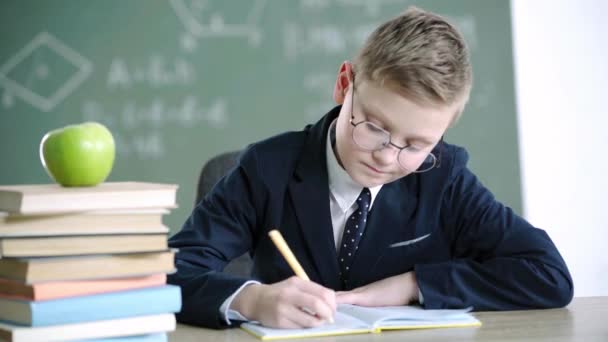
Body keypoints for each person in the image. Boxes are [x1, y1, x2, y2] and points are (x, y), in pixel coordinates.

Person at [168, 6, 573, 329]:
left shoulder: (444, 177)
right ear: (345, 84)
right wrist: (252, 300)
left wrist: (415, 285)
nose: (387, 156)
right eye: (375, 127)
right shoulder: (267, 168)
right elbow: (171, 273)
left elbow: (548, 275)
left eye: (416, 145)